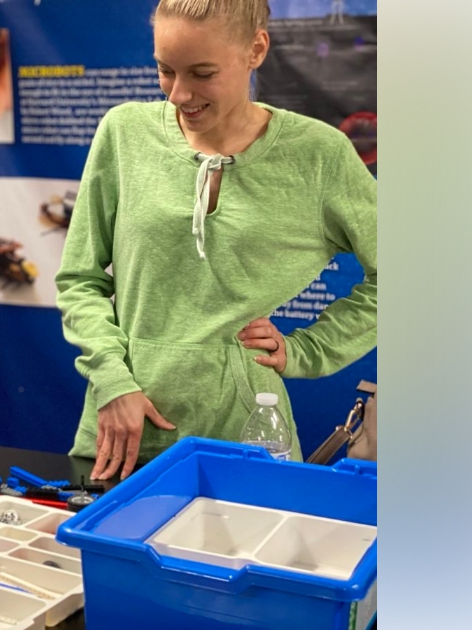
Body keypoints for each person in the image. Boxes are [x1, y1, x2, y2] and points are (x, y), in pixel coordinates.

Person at [55, 0, 376, 481]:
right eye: (165, 71)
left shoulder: (319, 156)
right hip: (124, 430)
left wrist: (307, 350)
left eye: (202, 73)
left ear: (256, 50)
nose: (180, 94)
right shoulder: (124, 133)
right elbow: (80, 279)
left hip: (246, 435)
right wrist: (111, 379)